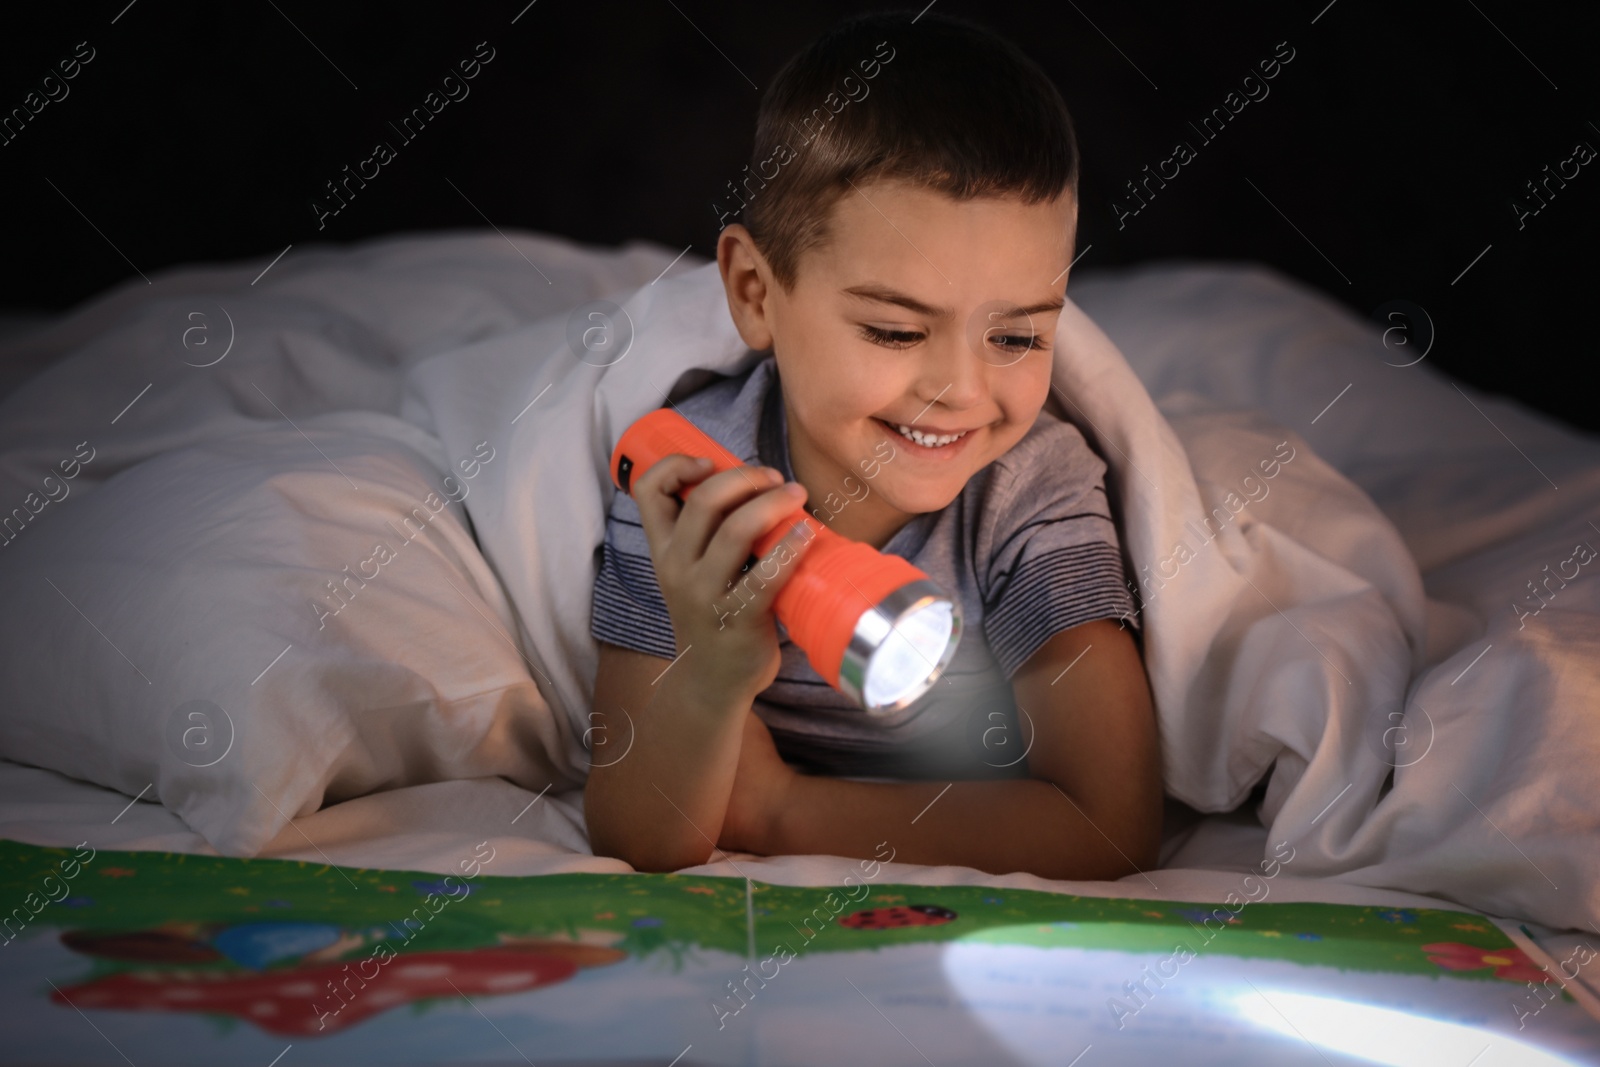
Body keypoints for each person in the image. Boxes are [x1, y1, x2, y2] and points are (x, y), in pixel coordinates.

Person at [584, 9, 1161, 881]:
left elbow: (1110, 825)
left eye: (1015, 338)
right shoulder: (694, 485)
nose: (961, 391)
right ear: (754, 292)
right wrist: (710, 670)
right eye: (895, 331)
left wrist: (781, 812)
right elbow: (641, 836)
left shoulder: (1030, 494)